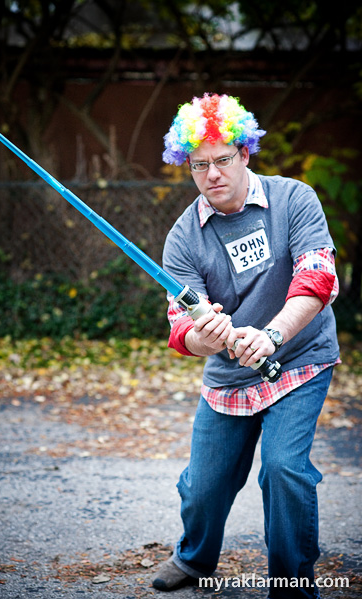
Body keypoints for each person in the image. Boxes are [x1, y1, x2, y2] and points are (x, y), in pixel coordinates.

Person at [153, 93, 340, 598]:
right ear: (187, 168)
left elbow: (318, 280)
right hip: (231, 375)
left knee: (283, 471)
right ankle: (193, 560)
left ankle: (291, 587)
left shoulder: (294, 200)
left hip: (298, 360)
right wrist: (203, 337)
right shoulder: (183, 239)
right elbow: (180, 329)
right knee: (203, 489)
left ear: (245, 153)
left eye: (222, 160)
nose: (212, 174)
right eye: (199, 165)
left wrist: (272, 334)